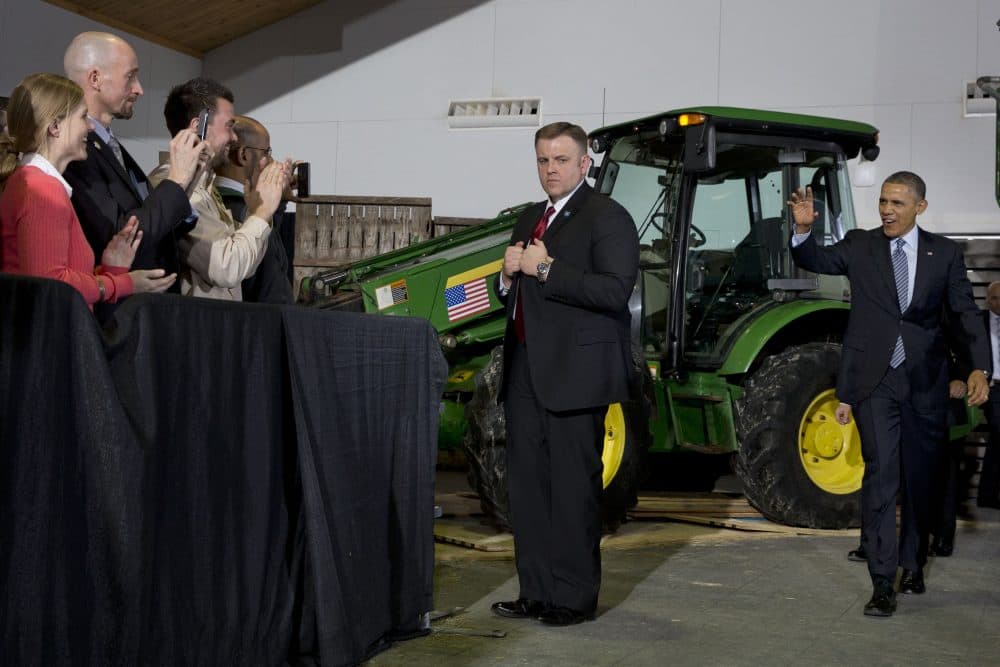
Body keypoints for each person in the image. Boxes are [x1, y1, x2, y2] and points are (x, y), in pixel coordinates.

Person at [788, 171, 990, 618]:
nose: (887, 210)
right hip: (875, 380)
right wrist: (803, 230)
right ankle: (882, 582)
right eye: (883, 201)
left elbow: (963, 313)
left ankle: (913, 561)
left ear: (920, 206)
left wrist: (980, 366)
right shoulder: (861, 245)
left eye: (897, 203)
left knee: (921, 479)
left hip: (926, 381)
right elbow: (816, 259)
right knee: (881, 476)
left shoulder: (945, 254)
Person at [489, 122, 639, 626]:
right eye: (542, 160)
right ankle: (536, 591)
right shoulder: (530, 218)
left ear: (583, 164)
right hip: (527, 371)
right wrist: (506, 278)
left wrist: (546, 269)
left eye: (559, 160)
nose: (549, 169)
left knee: (574, 490)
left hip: (576, 376)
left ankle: (573, 599)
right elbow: (512, 296)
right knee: (528, 490)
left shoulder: (608, 217)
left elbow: (615, 291)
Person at [0, 73, 175, 310]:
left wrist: (111, 268)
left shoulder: (33, 182)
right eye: (83, 116)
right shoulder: (42, 189)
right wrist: (124, 283)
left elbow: (58, 276)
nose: (90, 126)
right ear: (54, 127)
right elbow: (52, 286)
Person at [62, 32, 205, 315]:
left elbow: (150, 214)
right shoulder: (75, 152)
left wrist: (187, 182)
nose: (139, 89)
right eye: (131, 77)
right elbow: (120, 235)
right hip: (117, 312)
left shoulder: (109, 144)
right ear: (95, 79)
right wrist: (175, 180)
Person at [147, 78, 290, 301]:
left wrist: (256, 213)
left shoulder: (204, 185)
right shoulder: (176, 189)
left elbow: (244, 265)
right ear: (198, 127)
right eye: (228, 127)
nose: (233, 138)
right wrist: (262, 214)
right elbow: (226, 268)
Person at [213, 115, 293, 304]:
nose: (272, 160)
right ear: (244, 155)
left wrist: (279, 201)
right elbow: (268, 280)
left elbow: (270, 242)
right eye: (267, 151)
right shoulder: (242, 210)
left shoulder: (225, 204)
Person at [978, 281, 1000, 509]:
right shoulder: (978, 322)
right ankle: (987, 495)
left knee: (996, 441)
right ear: (987, 299)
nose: (999, 302)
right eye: (995, 298)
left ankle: (986, 495)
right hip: (990, 387)